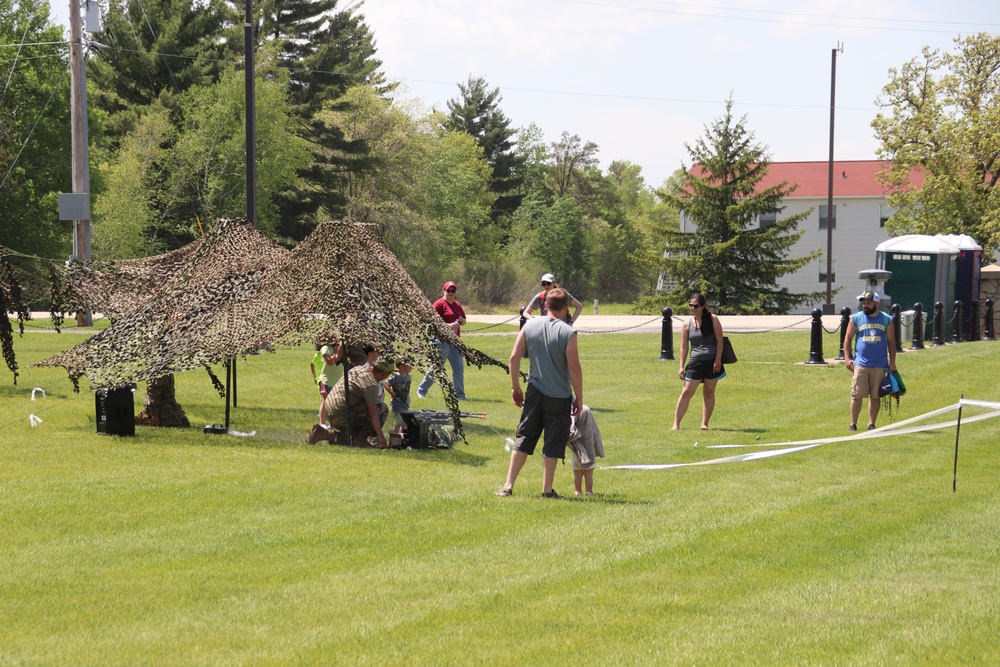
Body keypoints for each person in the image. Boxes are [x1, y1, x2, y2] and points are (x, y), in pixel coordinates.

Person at [495, 288, 584, 499]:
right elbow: (574, 369)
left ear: (545, 305)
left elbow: (514, 357)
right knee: (553, 441)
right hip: (559, 395)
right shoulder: (568, 332)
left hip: (534, 391)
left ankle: (508, 485)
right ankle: (546, 490)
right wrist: (579, 398)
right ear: (565, 308)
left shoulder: (530, 325)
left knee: (525, 436)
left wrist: (515, 387)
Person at [309, 358, 395, 448]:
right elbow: (373, 412)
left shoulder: (358, 369)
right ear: (384, 374)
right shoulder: (371, 384)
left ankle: (324, 434)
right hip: (341, 415)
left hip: (329, 411)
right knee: (382, 409)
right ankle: (359, 440)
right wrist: (381, 437)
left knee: (354, 433)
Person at [843, 290, 897, 431]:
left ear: (876, 303)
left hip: (879, 364)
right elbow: (847, 339)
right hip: (860, 364)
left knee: (875, 396)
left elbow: (891, 342)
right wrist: (847, 359)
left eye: (869, 303)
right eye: (864, 303)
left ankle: (871, 424)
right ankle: (853, 424)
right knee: (856, 395)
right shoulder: (855, 318)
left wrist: (892, 363)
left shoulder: (887, 319)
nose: (865, 306)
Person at [672, 293, 726, 431]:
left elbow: (720, 340)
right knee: (686, 392)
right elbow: (684, 347)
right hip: (695, 362)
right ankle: (676, 424)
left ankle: (705, 423)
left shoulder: (712, 319)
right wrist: (681, 366)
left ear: (702, 306)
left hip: (712, 361)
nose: (692, 308)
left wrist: (718, 360)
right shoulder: (686, 324)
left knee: (708, 392)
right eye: (691, 305)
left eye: (695, 305)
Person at [417, 281, 468, 400]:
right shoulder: (439, 304)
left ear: (456, 293)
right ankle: (422, 390)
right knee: (436, 368)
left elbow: (464, 321)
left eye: (453, 291)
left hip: (455, 342)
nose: (450, 293)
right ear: (443, 291)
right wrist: (449, 325)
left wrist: (461, 320)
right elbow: (433, 322)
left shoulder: (457, 304)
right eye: (448, 290)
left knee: (459, 369)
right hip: (441, 341)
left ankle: (460, 395)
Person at [568, 405, 604, 496]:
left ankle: (578, 491)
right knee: (589, 475)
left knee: (577, 474)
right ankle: (589, 491)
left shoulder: (575, 429)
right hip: (589, 451)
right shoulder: (590, 431)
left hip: (577, 452)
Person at [310, 340, 343, 418]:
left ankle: (330, 421)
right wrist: (314, 376)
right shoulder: (325, 349)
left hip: (336, 381)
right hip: (326, 380)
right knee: (325, 401)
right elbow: (330, 361)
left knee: (333, 402)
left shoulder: (338, 350)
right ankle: (322, 422)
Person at [385, 361, 412, 435]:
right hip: (397, 403)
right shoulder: (396, 377)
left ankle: (403, 439)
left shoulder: (409, 376)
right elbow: (386, 384)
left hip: (405, 402)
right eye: (408, 365)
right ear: (401, 367)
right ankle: (394, 438)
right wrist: (391, 392)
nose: (411, 367)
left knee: (405, 422)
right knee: (398, 421)